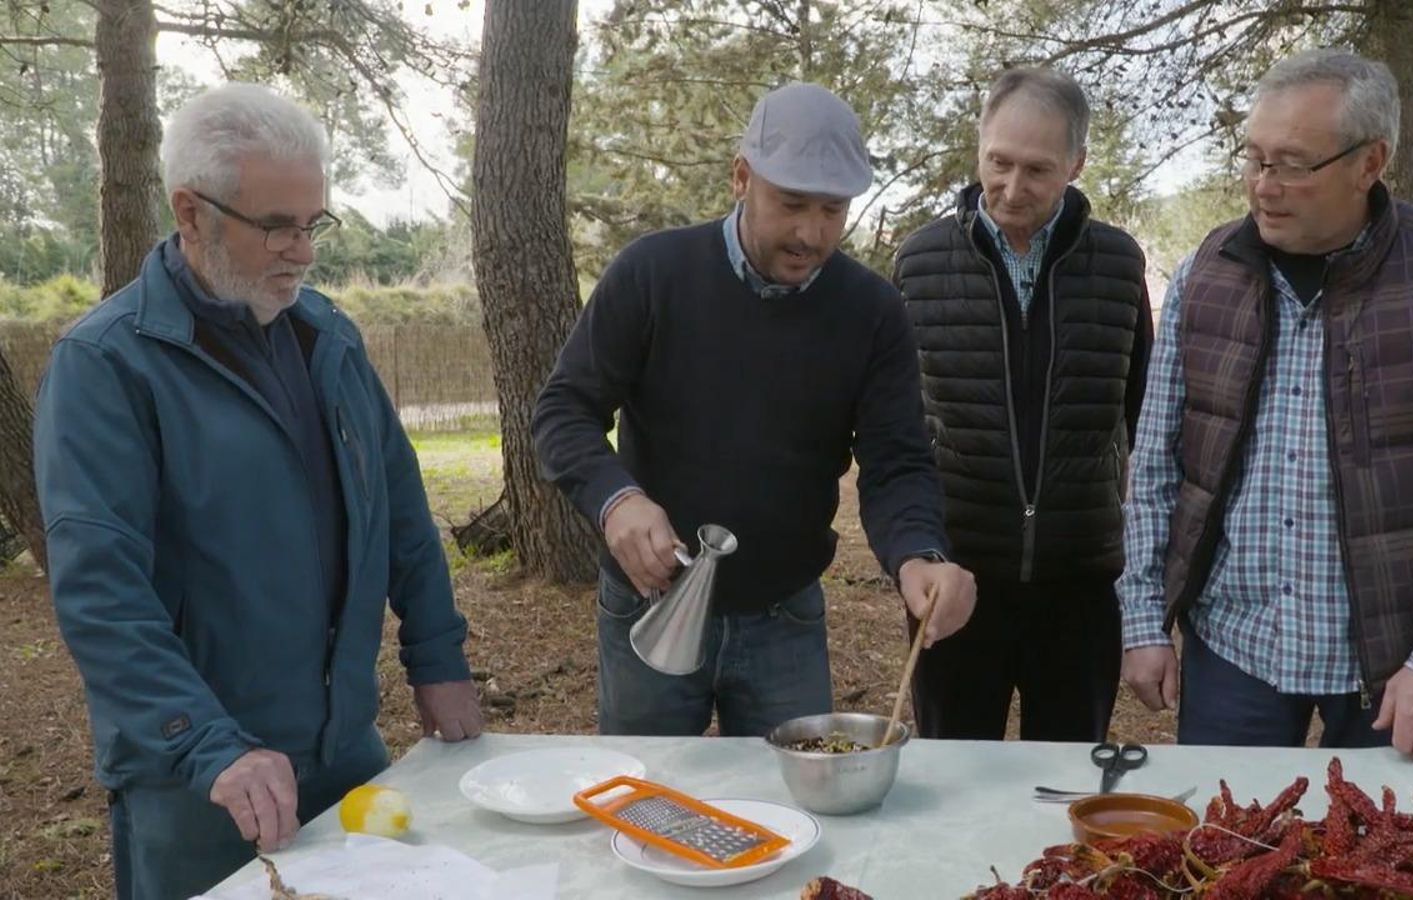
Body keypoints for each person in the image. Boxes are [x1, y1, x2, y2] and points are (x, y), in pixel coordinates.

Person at [33, 83, 482, 899]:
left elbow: (401, 514)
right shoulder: (107, 366)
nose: (302, 251)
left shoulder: (330, 339)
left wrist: (438, 657)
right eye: (276, 225)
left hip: (346, 752)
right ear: (192, 213)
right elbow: (102, 594)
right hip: (202, 780)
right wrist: (209, 745)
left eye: (313, 224)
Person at [1117, 49, 1413, 778]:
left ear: (1369, 162)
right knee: (1227, 867)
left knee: (1395, 874)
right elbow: (1157, 460)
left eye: (1290, 164)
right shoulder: (1205, 271)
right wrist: (1141, 620)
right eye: (1252, 158)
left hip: (1401, 662)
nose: (1262, 185)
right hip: (1233, 650)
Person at [533, 82, 977, 738]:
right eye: (791, 204)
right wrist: (616, 500)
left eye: (832, 210)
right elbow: (562, 409)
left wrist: (919, 552)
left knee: (796, 814)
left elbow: (898, 462)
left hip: (784, 618)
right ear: (742, 178)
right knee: (646, 802)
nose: (810, 233)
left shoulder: (872, 312)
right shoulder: (653, 274)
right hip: (648, 604)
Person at [894, 67, 1154, 741]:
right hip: (955, 583)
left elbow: (1145, 421)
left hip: (1081, 585)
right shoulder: (920, 262)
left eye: (1037, 170)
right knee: (953, 786)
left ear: (1077, 163)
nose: (1011, 188)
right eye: (998, 163)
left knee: (1067, 793)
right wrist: (917, 550)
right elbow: (894, 433)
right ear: (978, 144)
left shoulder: (1120, 265)